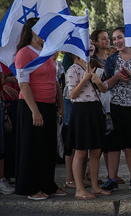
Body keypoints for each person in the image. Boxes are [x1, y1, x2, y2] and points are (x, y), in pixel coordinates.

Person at [13, 18, 66, 200]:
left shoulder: (47, 52)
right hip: (31, 106)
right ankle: (30, 187)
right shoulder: (24, 53)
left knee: (48, 147)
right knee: (32, 147)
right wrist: (35, 111)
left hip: (49, 105)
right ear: (33, 32)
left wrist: (60, 105)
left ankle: (48, 185)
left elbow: (55, 81)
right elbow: (24, 85)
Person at [101, 27, 131, 192]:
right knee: (115, 144)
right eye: (114, 39)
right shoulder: (112, 59)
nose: (117, 42)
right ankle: (112, 179)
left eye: (119, 37)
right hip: (116, 106)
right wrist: (117, 77)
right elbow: (106, 84)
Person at [66, 44, 111, 199]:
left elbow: (104, 89)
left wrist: (97, 81)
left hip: (95, 109)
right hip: (81, 111)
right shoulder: (73, 69)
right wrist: (85, 79)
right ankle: (79, 188)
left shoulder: (94, 66)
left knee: (96, 150)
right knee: (81, 151)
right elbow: (72, 94)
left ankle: (95, 186)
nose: (90, 46)